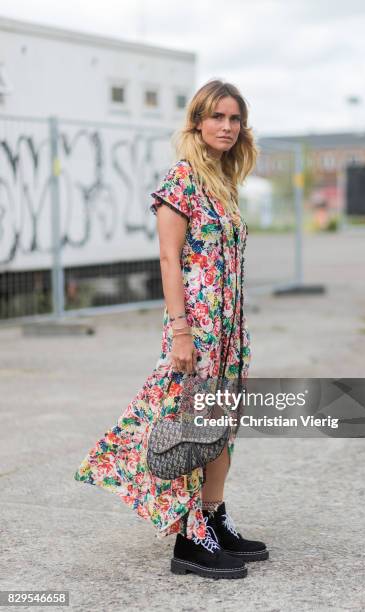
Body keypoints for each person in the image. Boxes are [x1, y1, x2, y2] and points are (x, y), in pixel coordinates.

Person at [74, 79, 269, 579]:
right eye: (218, 118)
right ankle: (188, 541)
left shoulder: (223, 182)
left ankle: (213, 518)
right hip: (196, 331)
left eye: (234, 119)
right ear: (198, 123)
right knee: (185, 430)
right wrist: (181, 332)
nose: (227, 127)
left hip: (228, 331)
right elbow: (168, 259)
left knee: (220, 429)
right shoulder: (181, 180)